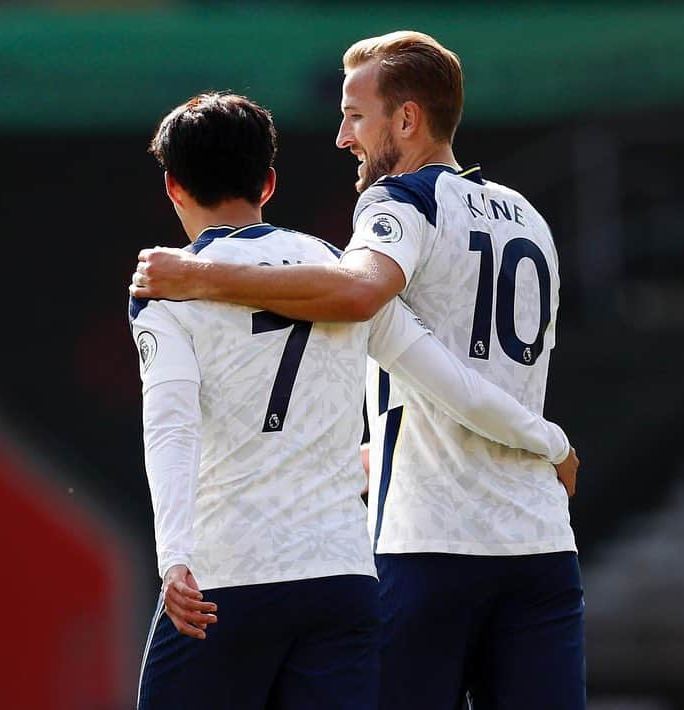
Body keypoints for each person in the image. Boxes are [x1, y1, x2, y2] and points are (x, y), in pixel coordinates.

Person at [129, 32, 585, 710]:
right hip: (537, 538)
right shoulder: (529, 218)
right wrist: (547, 440)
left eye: (355, 115)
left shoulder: (397, 203)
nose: (343, 136)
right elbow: (455, 372)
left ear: (406, 119)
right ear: (267, 181)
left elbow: (356, 294)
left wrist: (196, 274)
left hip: (425, 541)